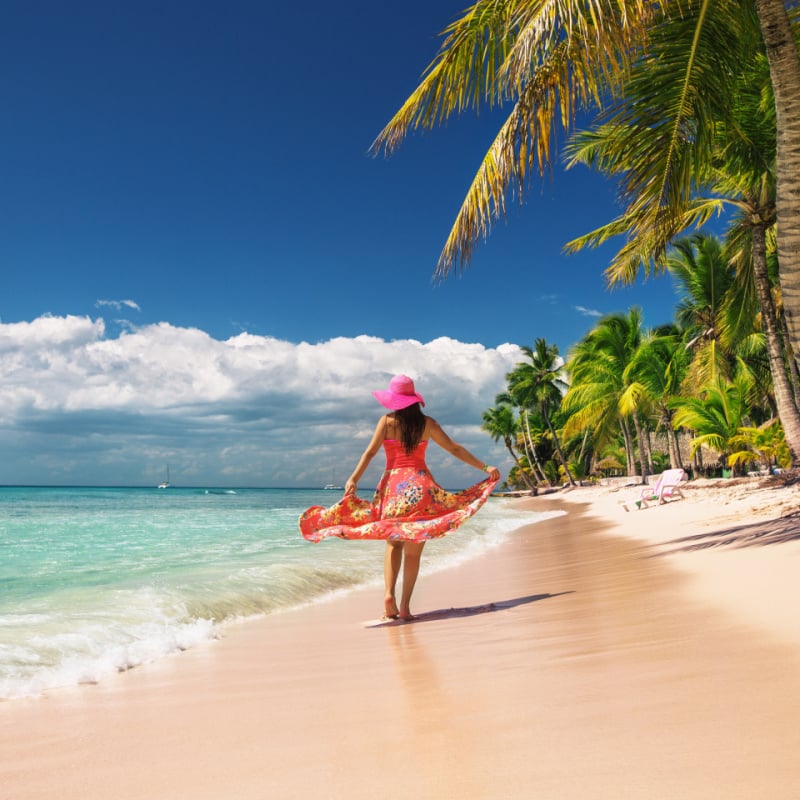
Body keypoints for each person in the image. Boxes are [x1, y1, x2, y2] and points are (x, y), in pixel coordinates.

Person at [299, 375, 501, 621]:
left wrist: (353, 479)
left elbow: (370, 451)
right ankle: (405, 607)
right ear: (415, 399)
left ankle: (388, 596)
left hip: (393, 488)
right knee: (413, 553)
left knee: (393, 543)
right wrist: (485, 467)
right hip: (420, 487)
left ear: (394, 400)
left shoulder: (386, 421)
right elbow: (454, 448)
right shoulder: (428, 423)